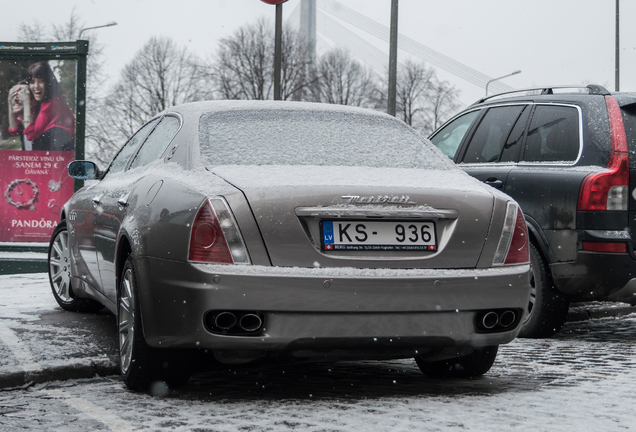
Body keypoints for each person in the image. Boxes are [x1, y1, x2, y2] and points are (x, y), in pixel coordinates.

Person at [18, 61, 75, 151]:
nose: (36, 86)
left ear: (48, 82)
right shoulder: (40, 101)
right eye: (32, 82)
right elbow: (15, 129)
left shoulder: (52, 102)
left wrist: (26, 102)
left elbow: (31, 135)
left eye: (41, 81)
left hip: (60, 145)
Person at [6, 81, 35, 150]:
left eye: (22, 95)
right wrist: (10, 102)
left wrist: (26, 101)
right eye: (13, 95)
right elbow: (13, 130)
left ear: (34, 102)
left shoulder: (39, 127)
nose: (15, 99)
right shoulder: (21, 125)